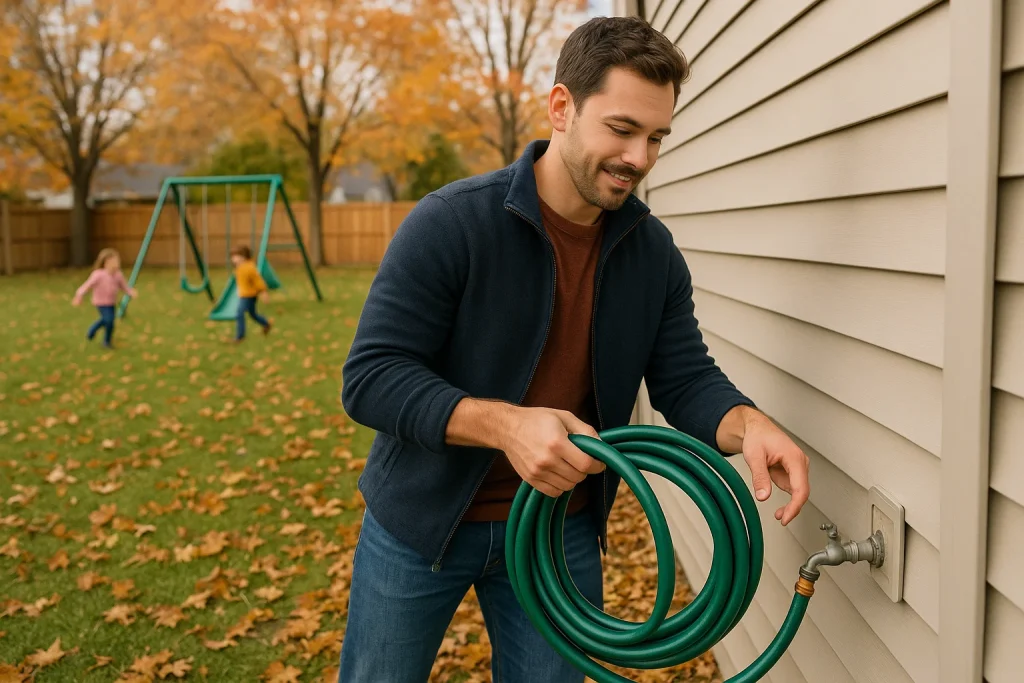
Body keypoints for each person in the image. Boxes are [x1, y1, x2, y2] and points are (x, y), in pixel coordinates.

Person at [337, 15, 811, 683]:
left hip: (558, 530)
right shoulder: (451, 223)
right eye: (621, 130)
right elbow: (371, 378)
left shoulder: (651, 254)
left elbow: (683, 377)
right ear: (562, 108)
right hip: (419, 526)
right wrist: (508, 425)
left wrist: (748, 423)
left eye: (655, 138)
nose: (639, 159)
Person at [72, 247, 137, 348]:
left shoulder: (118, 275)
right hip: (100, 302)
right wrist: (79, 295)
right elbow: (87, 286)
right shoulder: (98, 275)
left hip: (111, 302)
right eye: (114, 261)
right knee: (108, 319)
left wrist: (130, 292)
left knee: (109, 322)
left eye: (117, 260)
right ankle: (92, 330)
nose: (117, 263)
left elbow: (123, 286)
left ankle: (106, 342)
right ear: (106, 262)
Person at [229, 245, 272, 342]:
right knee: (253, 314)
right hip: (244, 294)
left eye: (235, 256)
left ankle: (240, 336)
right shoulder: (240, 267)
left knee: (239, 313)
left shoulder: (249, 267)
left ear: (243, 257)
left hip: (249, 295)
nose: (233, 259)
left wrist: (263, 292)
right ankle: (266, 323)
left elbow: (258, 281)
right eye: (232, 257)